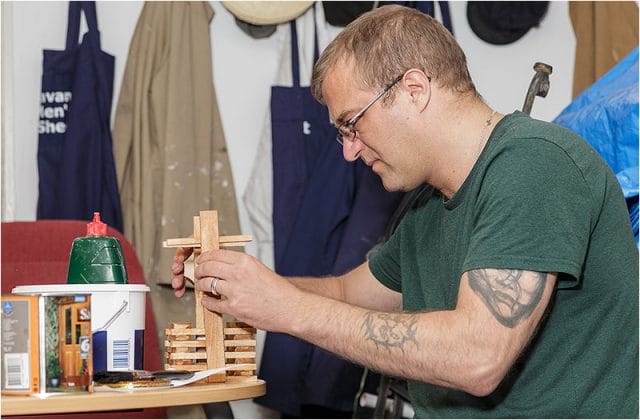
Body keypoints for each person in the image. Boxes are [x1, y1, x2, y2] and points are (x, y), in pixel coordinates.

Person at [171, 5, 638, 418]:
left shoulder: (533, 165)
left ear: (413, 89)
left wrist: (288, 309)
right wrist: (239, 284)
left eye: (352, 124)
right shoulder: (428, 206)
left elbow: (477, 357)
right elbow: (344, 291)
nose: (349, 152)